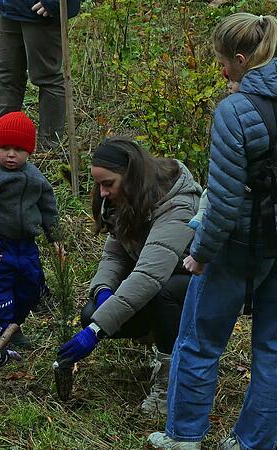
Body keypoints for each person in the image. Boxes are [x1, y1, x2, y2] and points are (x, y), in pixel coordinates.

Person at [148, 13, 277, 450]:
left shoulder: (236, 111)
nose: (221, 72)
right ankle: (252, 444)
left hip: (242, 240)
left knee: (200, 339)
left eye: (223, 62)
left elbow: (223, 202)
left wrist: (200, 254)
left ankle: (184, 435)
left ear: (242, 60)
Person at [54, 136, 202, 417]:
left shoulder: (178, 204)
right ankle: (158, 337)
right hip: (159, 284)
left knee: (164, 292)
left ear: (131, 176)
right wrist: (102, 293)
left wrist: (96, 331)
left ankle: (171, 379)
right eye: (99, 184)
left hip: (199, 288)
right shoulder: (125, 198)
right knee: (92, 312)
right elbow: (115, 255)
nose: (103, 192)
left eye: (108, 184)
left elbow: (149, 275)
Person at [0, 111, 60, 350]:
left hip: (26, 245)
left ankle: (13, 327)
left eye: (18, 149)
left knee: (30, 287)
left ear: (29, 151)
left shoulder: (34, 176)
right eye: (5, 147)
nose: (10, 154)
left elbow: (47, 206)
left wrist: (55, 236)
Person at [0, 0, 81, 150]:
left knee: (47, 78)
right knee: (8, 77)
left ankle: (49, 146)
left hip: (40, 13)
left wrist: (54, 2)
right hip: (10, 9)